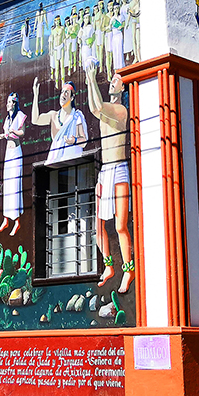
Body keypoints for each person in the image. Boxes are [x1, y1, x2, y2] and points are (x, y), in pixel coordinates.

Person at [86, 71, 133, 293]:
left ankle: (128, 270)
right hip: (105, 171)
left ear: (122, 88)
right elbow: (94, 107)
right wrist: (88, 78)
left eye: (116, 80)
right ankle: (108, 266)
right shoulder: (105, 112)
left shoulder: (121, 111)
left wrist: (91, 77)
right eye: (112, 79)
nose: (112, 82)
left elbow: (98, 107)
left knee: (120, 225)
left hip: (120, 169)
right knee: (98, 226)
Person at [32, 77, 87, 165]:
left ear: (72, 98)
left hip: (71, 164)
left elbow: (84, 142)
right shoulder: (53, 115)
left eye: (66, 92)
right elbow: (35, 120)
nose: (63, 94)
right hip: (54, 164)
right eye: (62, 92)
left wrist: (74, 140)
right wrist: (35, 95)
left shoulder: (76, 116)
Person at [0, 93, 27, 236]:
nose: (10, 104)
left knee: (14, 186)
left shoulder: (19, 115)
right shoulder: (7, 119)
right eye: (8, 102)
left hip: (16, 152)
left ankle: (17, 221)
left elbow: (22, 132)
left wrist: (13, 131)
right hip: (8, 154)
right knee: (7, 186)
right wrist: (3, 136)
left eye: (12, 102)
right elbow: (7, 134)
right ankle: (6, 219)